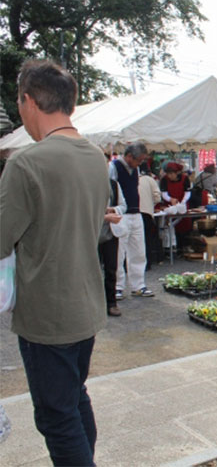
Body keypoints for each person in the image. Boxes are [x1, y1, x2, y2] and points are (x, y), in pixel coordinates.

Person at [0, 59, 109, 465]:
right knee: (75, 398)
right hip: (85, 303)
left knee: (57, 416)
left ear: (29, 101)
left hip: (47, 312)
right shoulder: (94, 156)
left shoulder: (27, 162)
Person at [110, 142, 153, 298]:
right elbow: (109, 188)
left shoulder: (135, 169)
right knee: (119, 252)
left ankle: (138, 284)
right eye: (139, 160)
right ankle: (117, 286)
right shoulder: (113, 167)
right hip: (120, 214)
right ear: (129, 156)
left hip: (136, 213)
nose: (140, 163)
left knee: (138, 251)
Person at [100, 179, 126, 316]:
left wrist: (114, 209)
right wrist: (104, 216)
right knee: (92, 270)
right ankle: (95, 305)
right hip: (91, 232)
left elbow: (123, 205)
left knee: (111, 268)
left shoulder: (113, 184)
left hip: (111, 232)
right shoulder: (84, 181)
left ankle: (111, 303)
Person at [159, 161, 193, 253]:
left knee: (185, 225)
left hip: (182, 205)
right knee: (171, 225)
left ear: (177, 172)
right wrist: (171, 199)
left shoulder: (185, 178)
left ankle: (185, 246)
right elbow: (164, 193)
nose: (169, 176)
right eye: (168, 174)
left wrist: (183, 202)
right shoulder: (164, 180)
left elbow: (188, 192)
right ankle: (174, 247)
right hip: (170, 206)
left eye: (171, 174)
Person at [138, 163, 161, 269]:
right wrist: (151, 204)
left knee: (135, 240)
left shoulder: (131, 178)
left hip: (132, 213)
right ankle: (147, 263)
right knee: (147, 238)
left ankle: (134, 264)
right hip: (146, 212)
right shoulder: (149, 179)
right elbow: (157, 197)